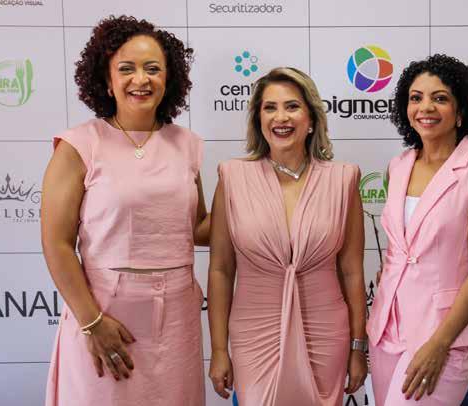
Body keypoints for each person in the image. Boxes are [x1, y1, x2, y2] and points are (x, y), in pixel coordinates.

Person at [41, 15, 209, 406]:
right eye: (127, 68)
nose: (141, 79)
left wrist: (260, 187)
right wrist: (92, 322)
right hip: (104, 314)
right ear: (106, 79)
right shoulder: (79, 145)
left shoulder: (188, 144)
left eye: (153, 68)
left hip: (177, 318)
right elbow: (56, 243)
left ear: (169, 78)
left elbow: (199, 228)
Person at [206, 67, 368, 405]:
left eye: (292, 106)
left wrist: (358, 347)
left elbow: (352, 271)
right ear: (258, 119)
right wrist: (219, 349)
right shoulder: (232, 178)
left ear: (311, 118)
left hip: (324, 332)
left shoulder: (343, 180)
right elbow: (221, 269)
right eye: (270, 107)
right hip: (255, 332)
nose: (281, 117)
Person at [367, 54, 468, 405]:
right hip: (387, 328)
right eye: (416, 97)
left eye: (440, 98)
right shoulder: (398, 166)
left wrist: (440, 343)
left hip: (443, 332)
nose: (425, 107)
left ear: (461, 110)